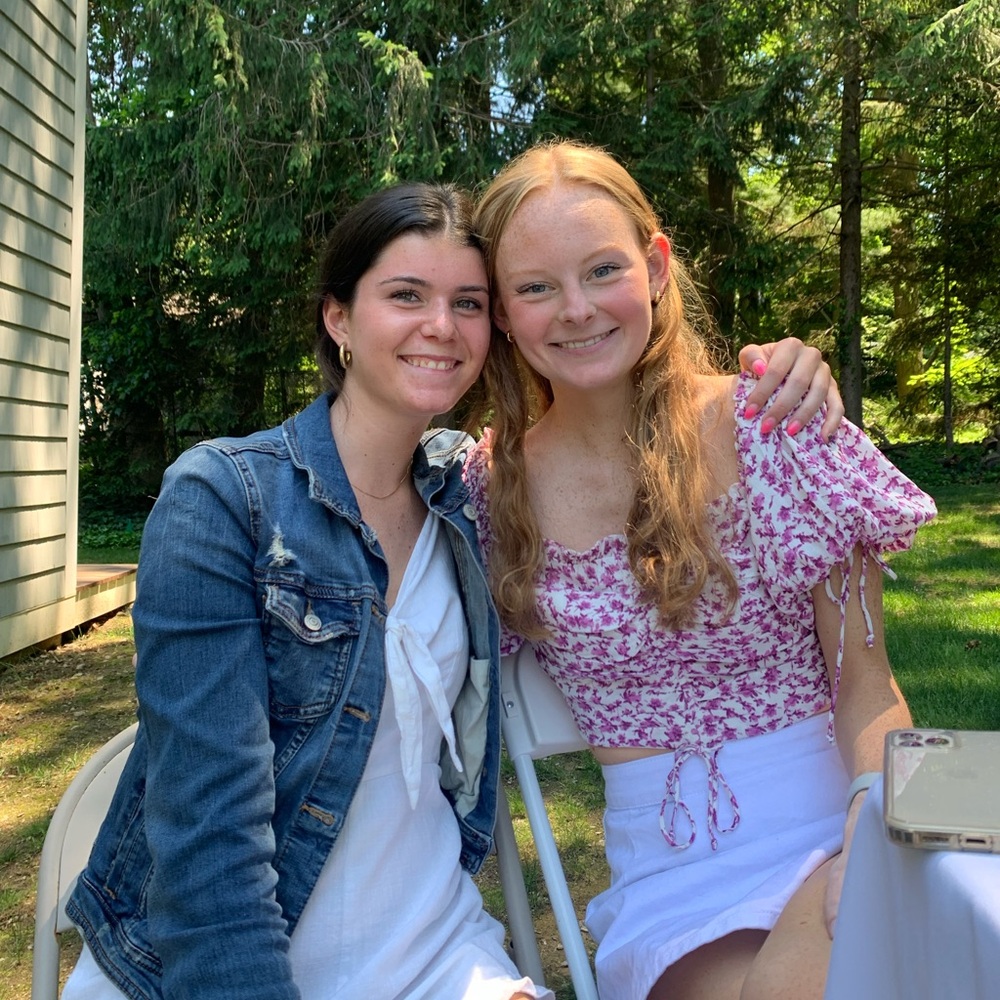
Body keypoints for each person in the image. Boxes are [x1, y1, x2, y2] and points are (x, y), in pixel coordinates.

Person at [61, 179, 837, 1000]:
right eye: (406, 296)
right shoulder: (225, 501)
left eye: (468, 302)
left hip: (437, 962)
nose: (441, 326)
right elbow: (208, 847)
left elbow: (620, 426)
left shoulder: (468, 497)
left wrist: (784, 372)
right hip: (229, 968)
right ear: (338, 318)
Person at [463, 140, 936, 1000]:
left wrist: (875, 814)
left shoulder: (776, 428)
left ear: (654, 266)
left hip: (842, 824)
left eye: (602, 269)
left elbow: (869, 685)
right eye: (535, 287)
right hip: (669, 888)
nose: (575, 310)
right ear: (499, 310)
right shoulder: (489, 494)